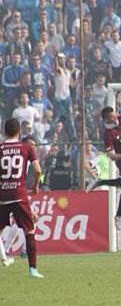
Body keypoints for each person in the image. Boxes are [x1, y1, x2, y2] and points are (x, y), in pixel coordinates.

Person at [0, 118, 43, 278]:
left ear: (5, 131)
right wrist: (36, 186)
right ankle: (33, 269)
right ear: (19, 131)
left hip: (2, 195)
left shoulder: (1, 148)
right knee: (30, 230)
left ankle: (4, 257)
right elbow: (38, 170)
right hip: (19, 194)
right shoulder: (27, 147)